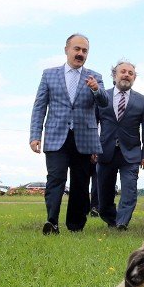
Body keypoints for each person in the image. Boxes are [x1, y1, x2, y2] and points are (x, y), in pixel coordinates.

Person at [29, 33, 108, 235]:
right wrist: (35, 135)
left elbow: (104, 103)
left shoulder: (95, 77)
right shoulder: (49, 75)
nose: (80, 54)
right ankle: (52, 222)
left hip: (84, 138)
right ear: (67, 50)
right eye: (77, 49)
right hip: (56, 136)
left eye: (84, 51)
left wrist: (97, 90)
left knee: (81, 184)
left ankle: (75, 226)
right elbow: (40, 107)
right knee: (55, 179)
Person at [96, 60, 144, 230]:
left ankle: (122, 222)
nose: (126, 75)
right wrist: (93, 148)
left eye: (130, 73)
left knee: (129, 190)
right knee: (104, 193)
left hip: (131, 153)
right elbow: (93, 123)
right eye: (123, 72)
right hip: (105, 151)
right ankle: (111, 219)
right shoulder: (102, 96)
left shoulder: (142, 101)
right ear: (115, 75)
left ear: (134, 78)